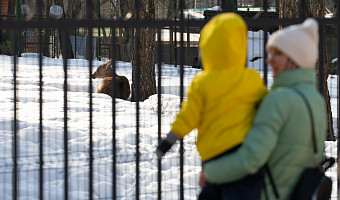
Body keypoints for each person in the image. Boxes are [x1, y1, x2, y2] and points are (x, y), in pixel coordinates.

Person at [201, 18, 327, 200]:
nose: (269, 60)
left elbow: (250, 159)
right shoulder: (315, 98)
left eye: (277, 54)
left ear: (295, 59)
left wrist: (211, 172)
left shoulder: (278, 99)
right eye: (269, 53)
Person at [156, 13, 267, 199]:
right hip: (246, 152)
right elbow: (266, 111)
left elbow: (189, 116)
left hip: (213, 154)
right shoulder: (252, 79)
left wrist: (169, 141)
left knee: (212, 190)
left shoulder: (202, 82)